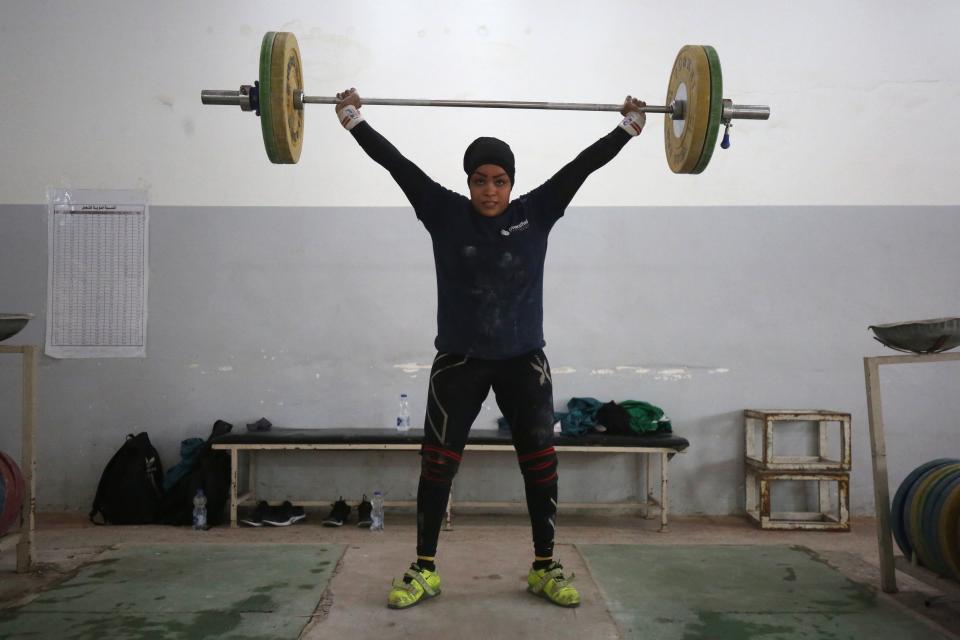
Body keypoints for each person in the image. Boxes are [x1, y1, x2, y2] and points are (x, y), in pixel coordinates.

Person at [334, 87, 646, 609]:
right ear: (469, 182)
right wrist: (351, 119)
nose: (489, 190)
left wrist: (628, 128)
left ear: (511, 184)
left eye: (499, 181)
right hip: (459, 361)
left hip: (524, 361)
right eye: (480, 180)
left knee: (541, 465)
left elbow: (581, 167)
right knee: (437, 465)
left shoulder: (537, 212)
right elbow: (397, 165)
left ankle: (545, 565)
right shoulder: (443, 213)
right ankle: (425, 567)